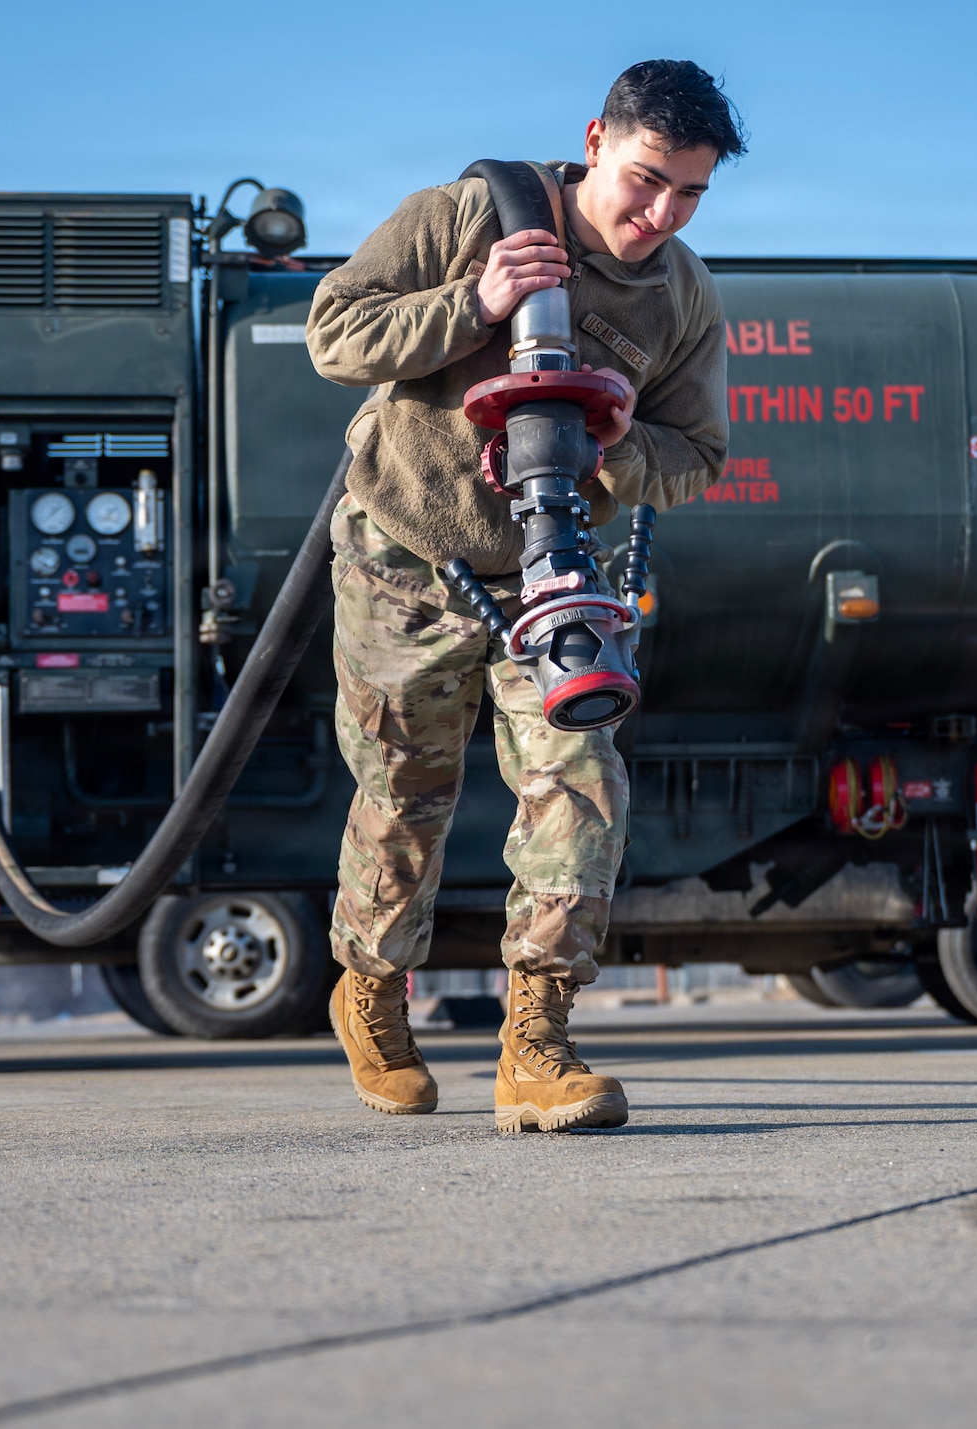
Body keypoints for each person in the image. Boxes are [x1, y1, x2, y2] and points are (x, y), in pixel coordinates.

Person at [304, 60, 744, 1132]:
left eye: (688, 193)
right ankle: (368, 987)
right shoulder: (465, 215)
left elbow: (696, 456)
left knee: (581, 779)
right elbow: (333, 333)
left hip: (546, 577)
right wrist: (479, 300)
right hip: (404, 557)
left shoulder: (680, 294)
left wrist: (616, 444)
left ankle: (535, 1047)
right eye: (647, 179)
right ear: (595, 139)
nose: (660, 213)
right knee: (403, 796)